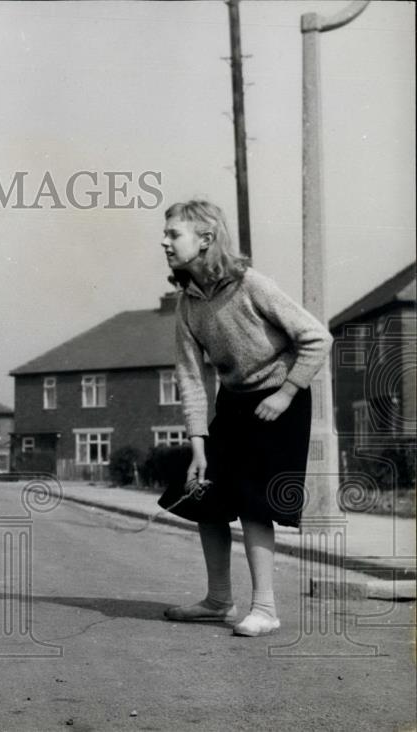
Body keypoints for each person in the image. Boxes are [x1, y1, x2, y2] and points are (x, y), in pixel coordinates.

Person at [161, 200, 332, 637]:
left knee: (256, 503)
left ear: (205, 239)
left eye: (174, 234)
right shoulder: (188, 303)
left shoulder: (251, 284)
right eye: (165, 234)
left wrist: (288, 391)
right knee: (205, 496)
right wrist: (198, 444)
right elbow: (191, 377)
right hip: (235, 403)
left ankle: (265, 609)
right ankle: (218, 599)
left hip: (281, 402)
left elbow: (317, 337)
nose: (165, 241)